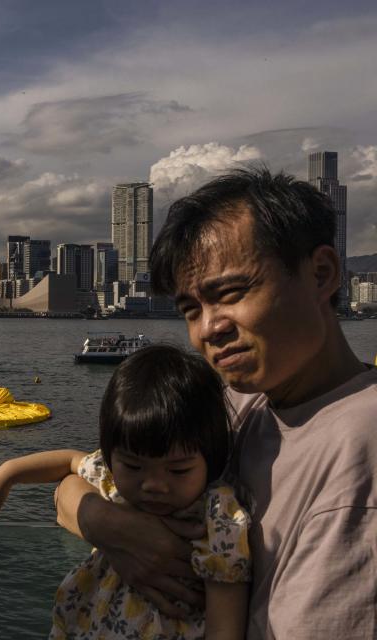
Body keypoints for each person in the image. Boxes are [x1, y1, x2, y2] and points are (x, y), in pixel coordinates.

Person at [53, 167, 376, 638]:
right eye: (191, 309)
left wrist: (130, 536)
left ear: (321, 274)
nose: (208, 328)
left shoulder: (361, 453)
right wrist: (119, 530)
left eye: (230, 293)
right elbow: (72, 488)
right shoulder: (241, 405)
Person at [0, 345, 250, 639]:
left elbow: (226, 623)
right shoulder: (112, 482)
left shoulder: (218, 516)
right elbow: (69, 460)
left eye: (178, 471)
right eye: (133, 466)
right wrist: (7, 473)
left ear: (212, 459)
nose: (153, 484)